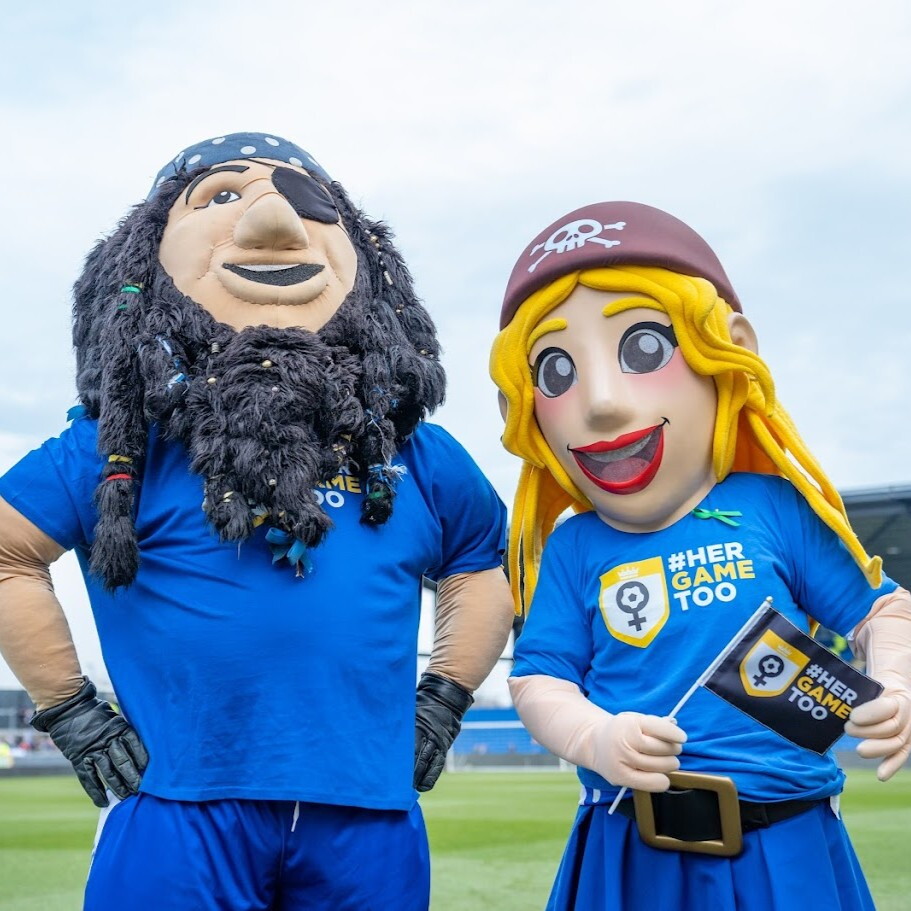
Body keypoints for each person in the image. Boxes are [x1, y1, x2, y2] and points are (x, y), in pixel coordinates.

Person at [0, 132, 514, 910]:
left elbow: (481, 559)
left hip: (368, 812)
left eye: (306, 200)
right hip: (176, 802)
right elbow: (7, 550)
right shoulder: (117, 444)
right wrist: (71, 709)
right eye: (222, 195)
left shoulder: (415, 451)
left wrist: (445, 694)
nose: (274, 219)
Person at [489, 201, 911, 910]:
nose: (598, 402)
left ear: (729, 346)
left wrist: (893, 683)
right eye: (555, 369)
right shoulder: (573, 546)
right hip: (629, 843)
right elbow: (539, 679)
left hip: (786, 843)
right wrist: (594, 736)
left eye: (644, 349)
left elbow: (880, 607)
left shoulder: (771, 506)